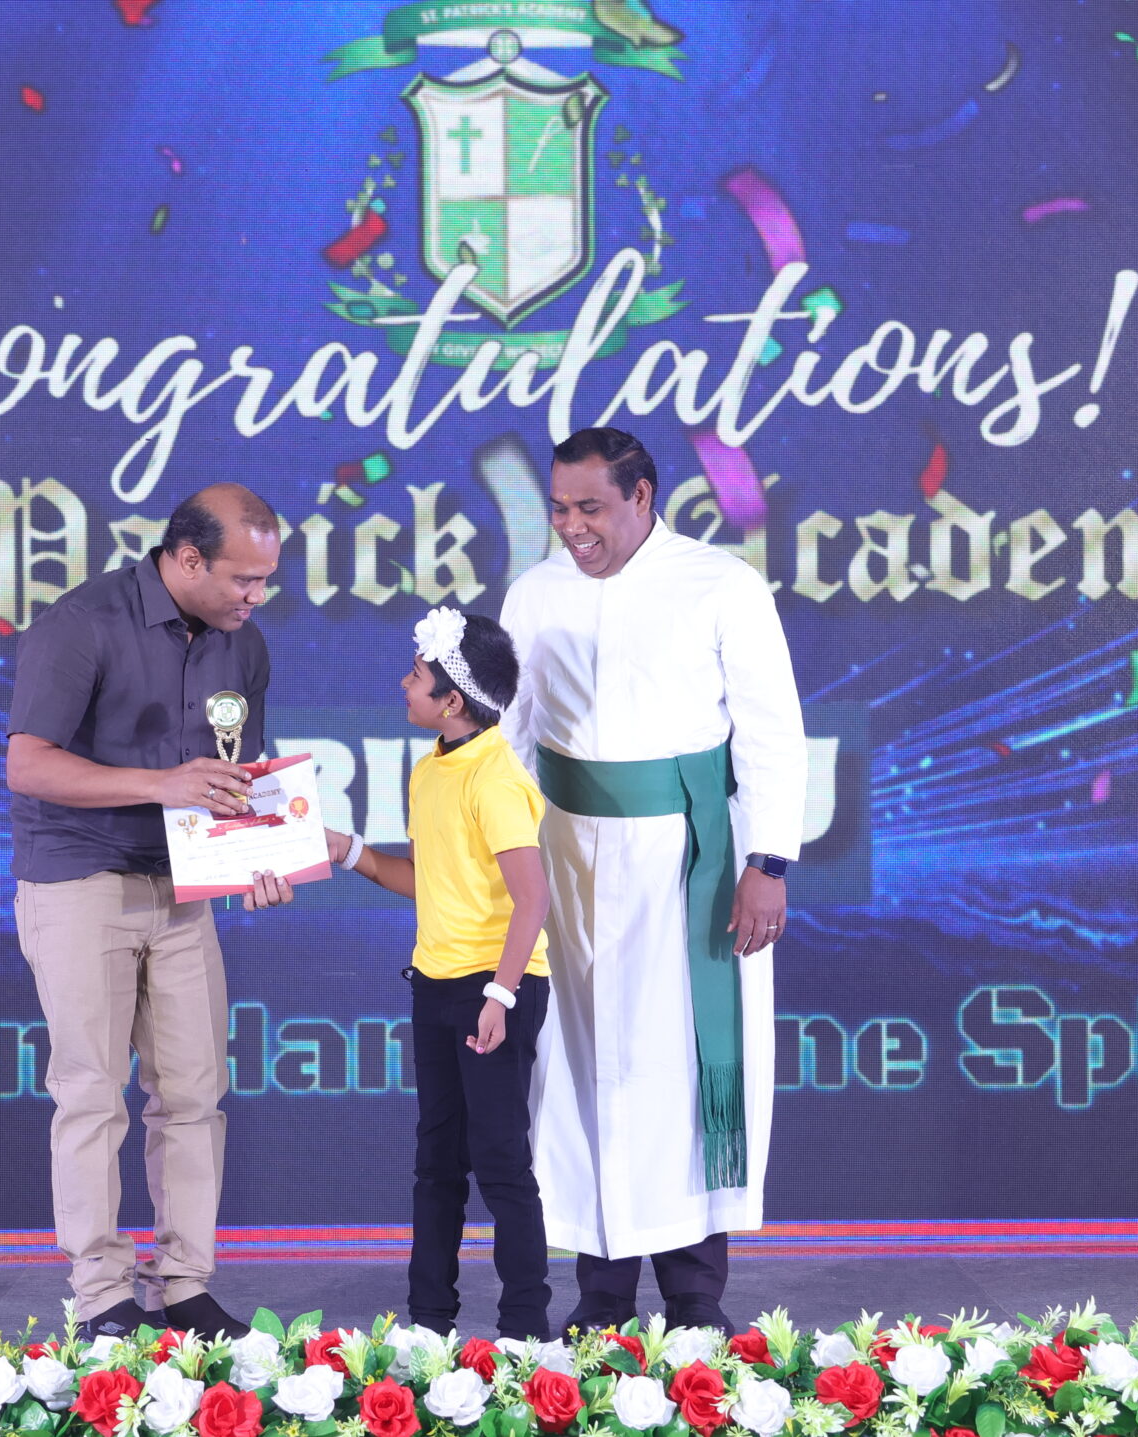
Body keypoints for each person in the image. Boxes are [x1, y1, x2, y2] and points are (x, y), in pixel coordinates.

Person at [499, 427, 806, 1335]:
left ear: (642, 497)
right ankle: (601, 1293)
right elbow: (510, 737)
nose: (572, 527)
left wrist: (767, 863)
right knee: (584, 1064)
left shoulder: (721, 585)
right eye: (560, 508)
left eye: (590, 508)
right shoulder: (535, 592)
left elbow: (771, 731)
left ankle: (695, 1295)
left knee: (686, 1068)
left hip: (690, 863)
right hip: (568, 862)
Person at [3, 482, 294, 1342]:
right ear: (188, 558)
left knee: (195, 1092)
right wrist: (159, 784)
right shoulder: (82, 623)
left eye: (266, 579)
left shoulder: (245, 648)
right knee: (92, 1092)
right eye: (244, 578)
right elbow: (28, 764)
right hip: (79, 880)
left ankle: (184, 1283)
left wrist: (259, 856)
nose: (257, 596)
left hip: (182, 891)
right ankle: (101, 1291)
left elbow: (234, 782)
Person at [299, 607, 555, 1338]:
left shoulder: (495, 779)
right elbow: (430, 881)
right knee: (437, 1159)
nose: (403, 683)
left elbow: (533, 898)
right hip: (436, 984)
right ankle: (428, 1323)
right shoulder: (430, 768)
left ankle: (525, 1329)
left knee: (501, 1161)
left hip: (494, 989)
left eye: (416, 675)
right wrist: (344, 849)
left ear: (452, 700)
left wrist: (500, 995)